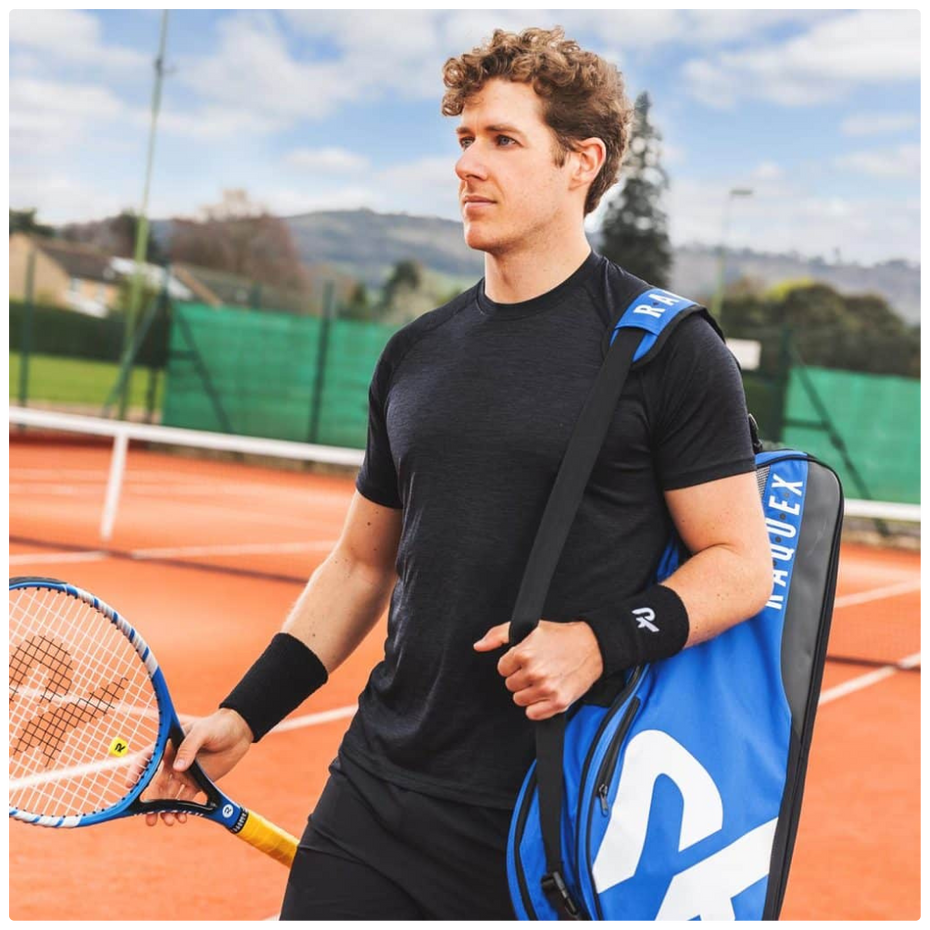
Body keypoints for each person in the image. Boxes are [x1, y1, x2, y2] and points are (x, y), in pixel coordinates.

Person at [141, 25, 773, 923]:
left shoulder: (669, 350)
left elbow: (742, 563)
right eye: (464, 139)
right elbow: (362, 565)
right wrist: (244, 717)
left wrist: (599, 639)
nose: (469, 164)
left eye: (503, 140)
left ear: (579, 162)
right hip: (379, 788)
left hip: (549, 813)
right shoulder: (415, 354)